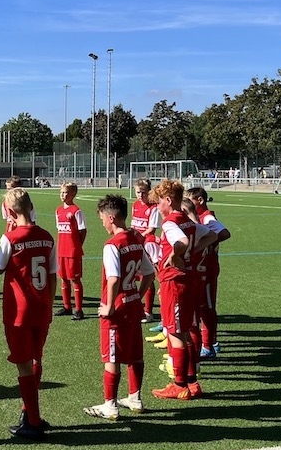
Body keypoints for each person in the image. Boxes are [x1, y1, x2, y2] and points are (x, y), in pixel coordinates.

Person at [84, 194, 155, 420]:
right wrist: (137, 296)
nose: (103, 224)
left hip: (116, 308)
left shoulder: (112, 244)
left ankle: (110, 405)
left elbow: (113, 278)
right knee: (135, 353)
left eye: (103, 219)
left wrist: (108, 306)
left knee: (111, 356)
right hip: (133, 304)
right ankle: (135, 398)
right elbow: (149, 273)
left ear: (111, 218)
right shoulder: (135, 239)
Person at [0, 187, 57, 441]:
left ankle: (33, 420)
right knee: (36, 359)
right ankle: (28, 412)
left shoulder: (10, 238)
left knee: (23, 363)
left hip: (19, 310)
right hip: (42, 307)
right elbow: (52, 275)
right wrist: (49, 304)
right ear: (31, 207)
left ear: (10, 212)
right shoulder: (47, 237)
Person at [148, 179, 216, 401]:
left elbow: (182, 241)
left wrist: (176, 255)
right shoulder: (187, 220)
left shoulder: (170, 223)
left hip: (175, 282)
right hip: (190, 280)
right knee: (185, 332)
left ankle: (179, 385)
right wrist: (192, 251)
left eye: (159, 202)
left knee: (175, 333)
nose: (157, 207)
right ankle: (192, 382)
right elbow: (212, 235)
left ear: (168, 201)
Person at [184, 187, 231, 358]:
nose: (187, 203)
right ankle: (211, 342)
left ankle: (208, 345)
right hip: (199, 268)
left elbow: (224, 233)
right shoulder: (196, 218)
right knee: (200, 307)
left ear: (200, 200)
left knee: (207, 308)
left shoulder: (207, 217)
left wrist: (205, 244)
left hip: (207, 269)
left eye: (190, 199)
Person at [55, 181, 87, 319]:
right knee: (63, 278)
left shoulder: (76, 211)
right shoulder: (58, 211)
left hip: (73, 252)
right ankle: (67, 306)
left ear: (73, 194)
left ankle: (79, 309)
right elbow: (59, 229)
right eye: (61, 192)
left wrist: (77, 245)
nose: (63, 195)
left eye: (66, 193)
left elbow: (82, 230)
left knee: (75, 279)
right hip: (61, 250)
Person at [132, 178, 162, 324]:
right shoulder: (135, 205)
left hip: (147, 245)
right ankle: (136, 308)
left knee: (148, 277)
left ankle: (148, 312)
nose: (140, 195)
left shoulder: (154, 207)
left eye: (143, 192)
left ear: (149, 192)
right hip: (136, 244)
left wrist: (139, 237)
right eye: (138, 192)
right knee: (133, 277)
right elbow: (134, 225)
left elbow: (151, 229)